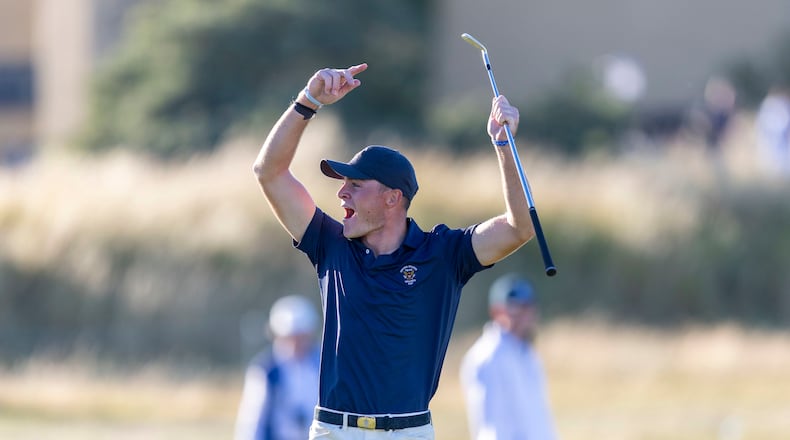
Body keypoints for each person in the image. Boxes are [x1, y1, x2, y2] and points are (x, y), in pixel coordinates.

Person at [253, 63, 535, 439]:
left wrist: (505, 146)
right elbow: (268, 172)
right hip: (335, 431)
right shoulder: (331, 243)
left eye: (355, 184)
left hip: (408, 432)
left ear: (392, 198)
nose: (341, 193)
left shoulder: (443, 253)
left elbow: (520, 227)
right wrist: (308, 101)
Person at [460, 274, 557, 440]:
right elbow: (492, 428)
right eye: (516, 308)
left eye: (528, 307)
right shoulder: (489, 357)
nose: (525, 316)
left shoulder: (527, 353)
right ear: (496, 312)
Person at [235, 295, 321, 440]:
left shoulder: (322, 366)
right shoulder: (266, 370)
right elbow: (253, 421)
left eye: (302, 337)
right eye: (291, 337)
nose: (296, 343)